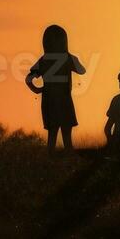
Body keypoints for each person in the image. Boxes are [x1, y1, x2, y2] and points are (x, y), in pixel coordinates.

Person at [25, 24, 86, 152]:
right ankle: (68, 155)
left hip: (49, 100)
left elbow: (29, 78)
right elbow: (82, 70)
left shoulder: (44, 60)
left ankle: (51, 155)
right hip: (64, 99)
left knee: (52, 132)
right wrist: (72, 57)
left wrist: (37, 89)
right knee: (66, 132)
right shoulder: (67, 58)